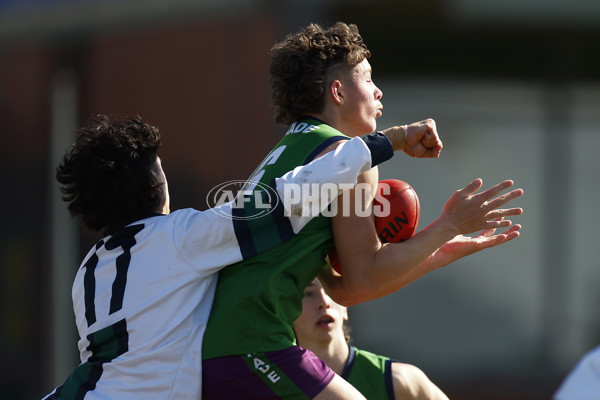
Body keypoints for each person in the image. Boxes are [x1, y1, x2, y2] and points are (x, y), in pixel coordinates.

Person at [202, 21, 523, 399]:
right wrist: (449, 223)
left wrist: (436, 253)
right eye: (368, 79)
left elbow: (342, 289)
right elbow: (365, 277)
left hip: (219, 347)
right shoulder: (352, 157)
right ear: (337, 91)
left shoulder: (288, 151)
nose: (378, 91)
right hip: (253, 342)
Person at [41, 113, 406, 400]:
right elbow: (291, 194)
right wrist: (385, 143)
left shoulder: (88, 269)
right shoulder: (180, 237)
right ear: (155, 187)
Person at [294, 278, 449, 400]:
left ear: (345, 307)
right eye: (309, 293)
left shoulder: (396, 381)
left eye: (330, 291)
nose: (324, 302)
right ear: (286, 312)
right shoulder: (278, 383)